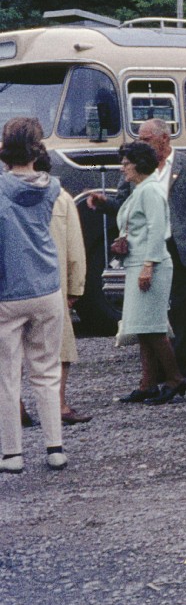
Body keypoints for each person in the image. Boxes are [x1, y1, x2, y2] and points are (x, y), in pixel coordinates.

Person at [88, 119, 186, 379]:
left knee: (180, 307)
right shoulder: (137, 167)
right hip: (144, 246)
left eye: (145, 139)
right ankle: (157, 372)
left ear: (164, 139)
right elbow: (124, 203)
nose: (140, 144)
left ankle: (177, 366)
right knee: (149, 310)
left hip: (179, 246)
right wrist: (105, 204)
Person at [0, 118, 68, 472]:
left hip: (8, 290)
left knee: (6, 375)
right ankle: (54, 447)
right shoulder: (52, 185)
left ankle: (12, 453)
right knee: (46, 369)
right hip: (47, 285)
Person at [114, 141, 186, 406]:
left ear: (139, 164)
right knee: (143, 327)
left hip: (150, 264)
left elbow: (158, 229)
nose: (122, 168)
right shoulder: (140, 190)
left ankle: (174, 378)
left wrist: (149, 265)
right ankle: (148, 383)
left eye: (126, 163)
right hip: (138, 262)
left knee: (154, 326)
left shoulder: (150, 191)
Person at [35, 147, 90, 424]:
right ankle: (58, 405)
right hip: (53, 286)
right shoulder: (62, 198)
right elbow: (74, 248)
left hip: (12, 289)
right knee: (60, 348)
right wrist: (76, 287)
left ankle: (16, 406)